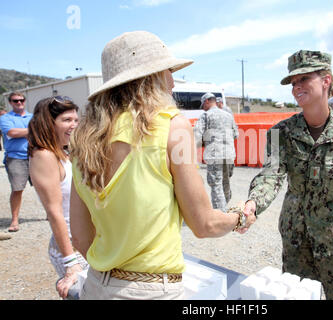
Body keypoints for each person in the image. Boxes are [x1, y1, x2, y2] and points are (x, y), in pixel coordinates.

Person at [69, 30, 254, 300]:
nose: (173, 83)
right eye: (168, 71)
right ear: (150, 78)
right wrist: (239, 217)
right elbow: (203, 224)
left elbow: (81, 237)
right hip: (151, 290)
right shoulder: (171, 126)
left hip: (97, 285)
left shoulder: (83, 137)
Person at [243, 50, 333, 300]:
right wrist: (253, 203)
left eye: (304, 79)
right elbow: (271, 174)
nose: (296, 87)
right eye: (293, 82)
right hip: (296, 245)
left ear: (326, 80)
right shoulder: (281, 133)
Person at [27, 96, 88, 299]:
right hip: (70, 247)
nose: (74, 125)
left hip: (84, 241)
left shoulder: (64, 152)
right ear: (48, 122)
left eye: (76, 120)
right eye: (67, 120)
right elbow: (54, 212)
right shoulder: (44, 156)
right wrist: (70, 263)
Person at [194, 92, 239, 211]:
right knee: (225, 183)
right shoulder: (228, 115)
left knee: (216, 185)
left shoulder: (205, 116)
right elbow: (236, 134)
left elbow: (197, 137)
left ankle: (221, 214)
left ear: (207, 101)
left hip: (214, 155)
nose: (203, 107)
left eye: (203, 104)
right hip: (229, 154)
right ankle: (225, 205)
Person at [0, 92, 33, 232]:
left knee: (45, 186)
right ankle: (14, 220)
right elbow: (11, 133)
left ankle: (51, 214)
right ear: (10, 102)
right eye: (15, 101)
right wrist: (32, 130)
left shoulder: (32, 117)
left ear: (25, 101)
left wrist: (22, 131)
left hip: (34, 156)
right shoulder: (5, 118)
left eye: (21, 100)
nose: (19, 103)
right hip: (16, 157)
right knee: (17, 189)